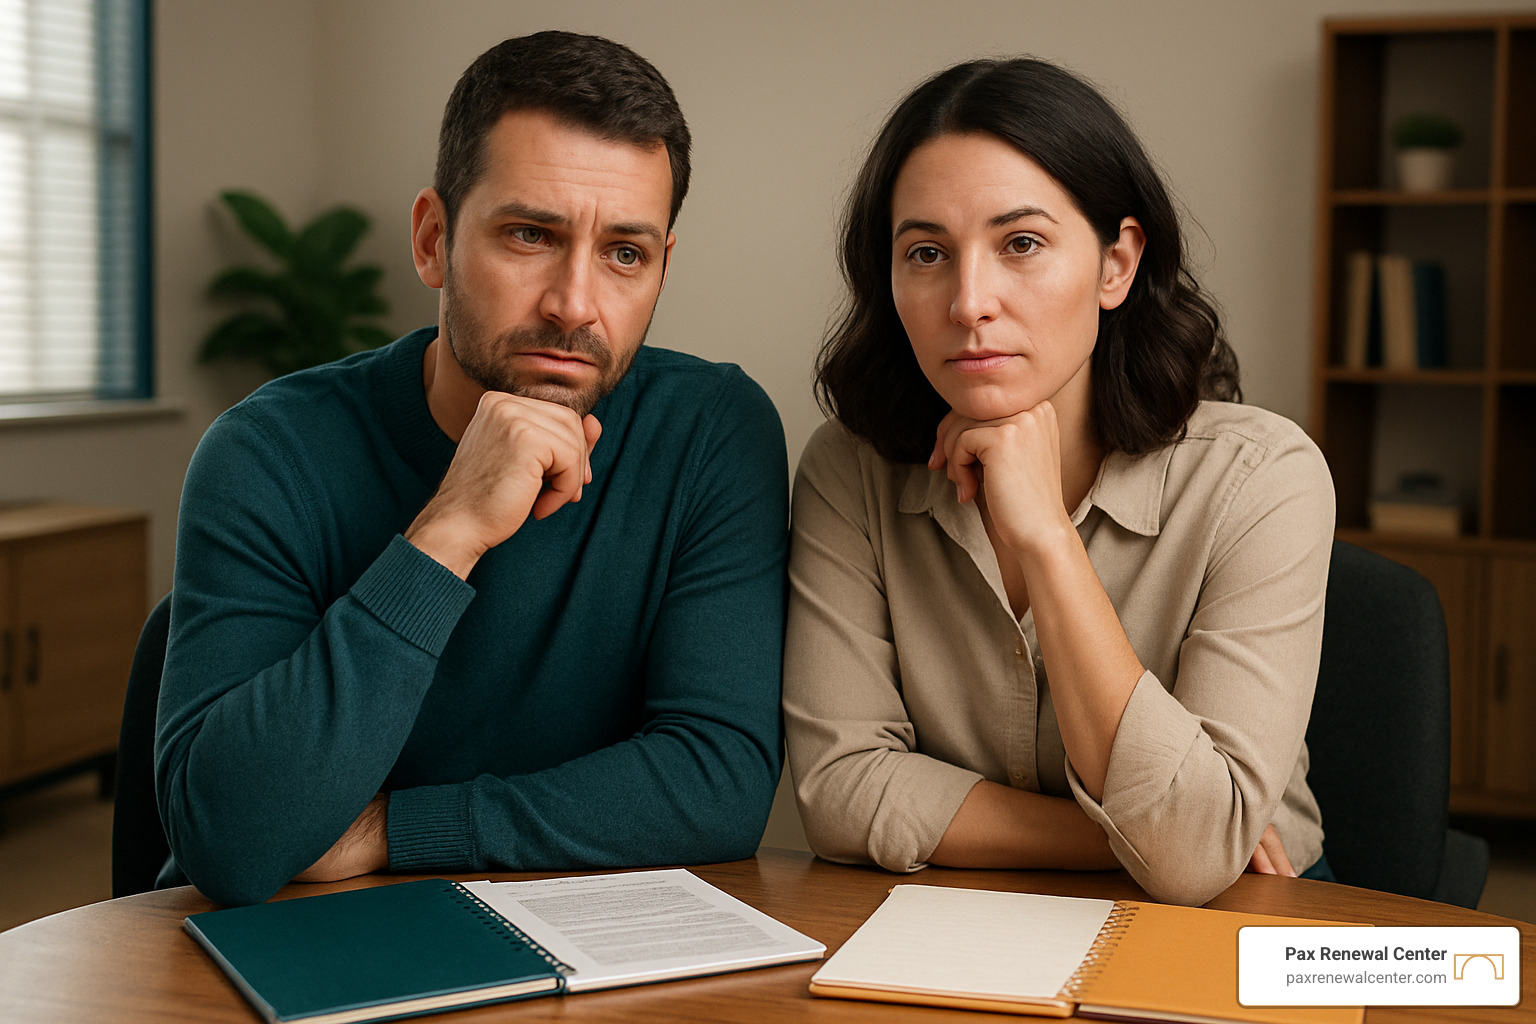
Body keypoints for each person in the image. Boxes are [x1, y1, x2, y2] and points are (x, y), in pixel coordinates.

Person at [156, 31, 788, 907]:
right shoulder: (268, 451)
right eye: (531, 235)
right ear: (431, 241)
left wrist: (394, 830)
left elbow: (717, 781)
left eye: (624, 254)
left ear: (661, 270)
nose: (575, 303)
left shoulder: (712, 431)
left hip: (577, 944)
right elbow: (231, 840)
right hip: (302, 934)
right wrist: (448, 531)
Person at [782, 57, 1335, 906]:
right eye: (926, 252)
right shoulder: (847, 471)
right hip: (965, 917)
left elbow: (1192, 868)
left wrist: (1044, 535)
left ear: (1117, 265)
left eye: (1022, 244)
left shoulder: (1266, 478)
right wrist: (1126, 837)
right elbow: (844, 793)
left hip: (1252, 915)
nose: (969, 302)